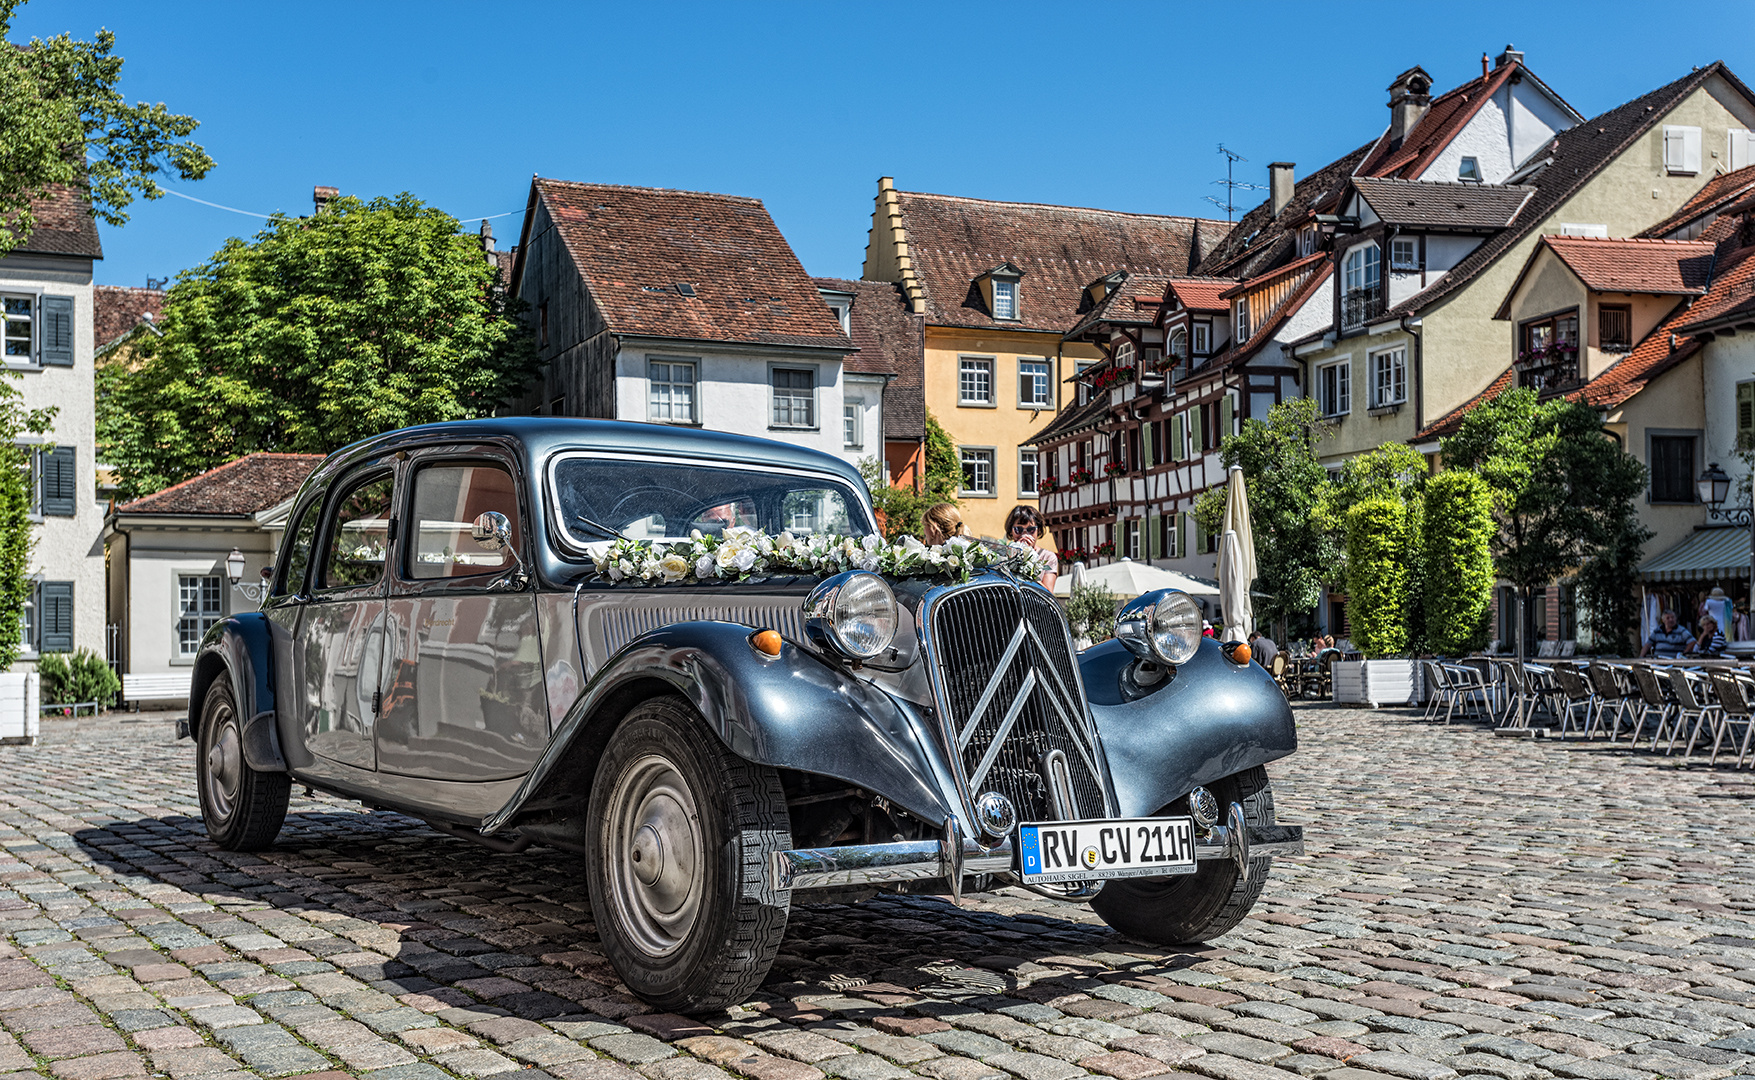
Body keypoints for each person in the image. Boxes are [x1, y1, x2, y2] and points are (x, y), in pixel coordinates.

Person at [1004, 504, 1057, 591]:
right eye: (1018, 530)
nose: (1024, 535)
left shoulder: (1048, 557)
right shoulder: (1004, 555)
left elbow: (1048, 593)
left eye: (1030, 530)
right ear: (1011, 531)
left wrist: (1027, 557)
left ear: (1038, 530)